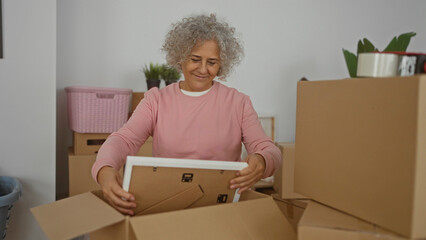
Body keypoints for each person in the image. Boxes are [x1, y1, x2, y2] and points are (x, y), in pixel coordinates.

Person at [91, 13, 281, 216]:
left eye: (212, 62)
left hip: (224, 209)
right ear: (180, 58)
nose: (202, 69)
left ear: (222, 64)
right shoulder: (156, 100)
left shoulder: (238, 102)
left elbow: (268, 149)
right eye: (195, 59)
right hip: (169, 207)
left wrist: (261, 160)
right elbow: (124, 140)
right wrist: (105, 169)